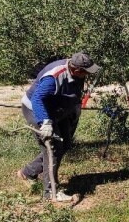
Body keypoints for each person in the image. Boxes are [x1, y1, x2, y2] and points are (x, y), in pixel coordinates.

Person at [16, 52, 100, 202]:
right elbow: (37, 99)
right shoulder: (54, 75)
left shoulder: (78, 74)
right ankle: (50, 193)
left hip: (56, 109)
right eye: (86, 72)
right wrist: (45, 122)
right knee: (53, 148)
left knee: (65, 144)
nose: (88, 75)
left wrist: (73, 113)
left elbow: (72, 96)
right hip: (36, 109)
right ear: (76, 70)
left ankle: (28, 172)